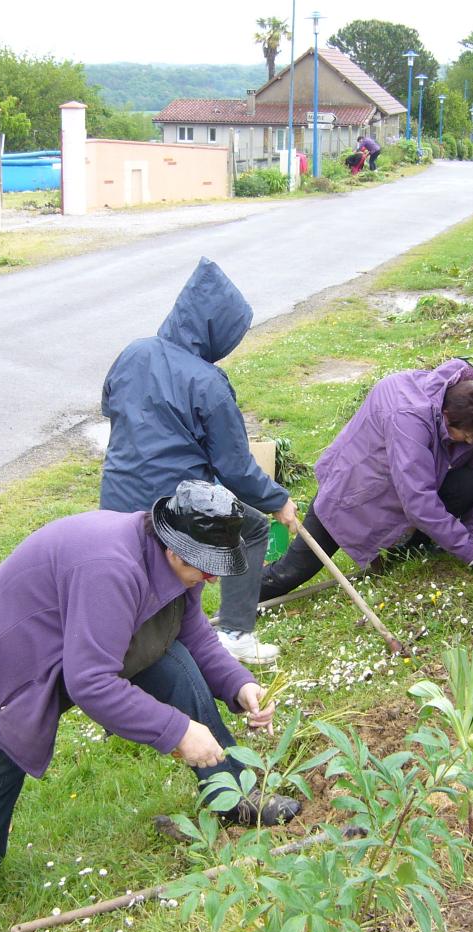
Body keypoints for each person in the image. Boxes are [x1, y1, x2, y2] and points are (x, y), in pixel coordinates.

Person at [0, 480, 301, 917]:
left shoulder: (183, 560)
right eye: (207, 567)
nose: (213, 576)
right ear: (173, 549)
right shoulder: (111, 568)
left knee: (178, 668)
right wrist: (179, 732)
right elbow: (91, 683)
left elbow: (194, 633)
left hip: (82, 636)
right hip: (4, 654)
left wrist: (240, 684)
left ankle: (234, 794)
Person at [100, 257, 296, 666]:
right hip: (175, 507)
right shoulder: (208, 383)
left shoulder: (134, 352)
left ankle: (121, 652)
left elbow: (110, 407)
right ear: (215, 329)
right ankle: (235, 634)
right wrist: (278, 501)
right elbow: (236, 469)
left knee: (136, 578)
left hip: (115, 498)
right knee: (254, 530)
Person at [261, 358, 473, 601]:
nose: (470, 444)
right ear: (447, 416)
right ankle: (239, 600)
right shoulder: (409, 417)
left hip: (396, 488)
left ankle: (410, 546)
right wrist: (470, 553)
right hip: (352, 492)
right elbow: (419, 502)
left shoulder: (464, 410)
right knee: (294, 569)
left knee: (468, 484)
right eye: (466, 437)